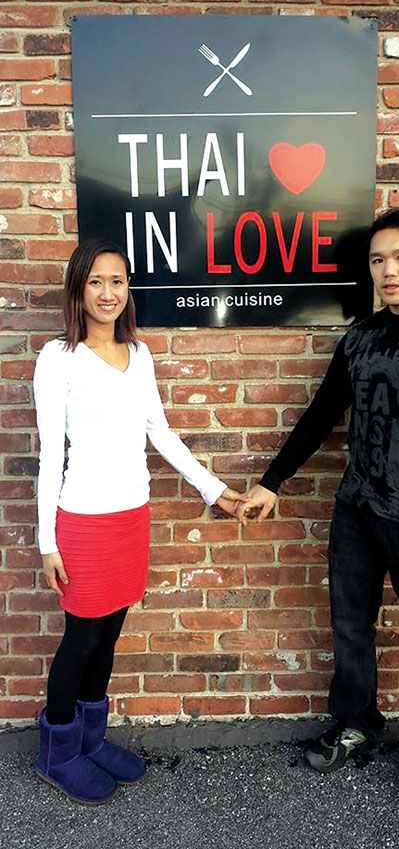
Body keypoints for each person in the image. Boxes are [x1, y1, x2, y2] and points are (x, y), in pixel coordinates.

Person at [238, 209, 399, 806]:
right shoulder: (359, 339)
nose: (389, 271)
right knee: (351, 627)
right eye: (378, 260)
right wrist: (273, 480)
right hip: (356, 509)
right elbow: (322, 414)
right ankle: (357, 724)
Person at [33, 239, 244, 805]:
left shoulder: (139, 353)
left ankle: (91, 740)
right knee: (81, 638)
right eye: (96, 281)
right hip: (83, 521)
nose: (108, 292)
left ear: (128, 289)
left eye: (118, 281)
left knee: (110, 635)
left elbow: (160, 432)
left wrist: (214, 489)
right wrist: (47, 541)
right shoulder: (58, 358)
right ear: (78, 288)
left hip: (131, 517)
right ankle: (57, 752)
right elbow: (51, 454)